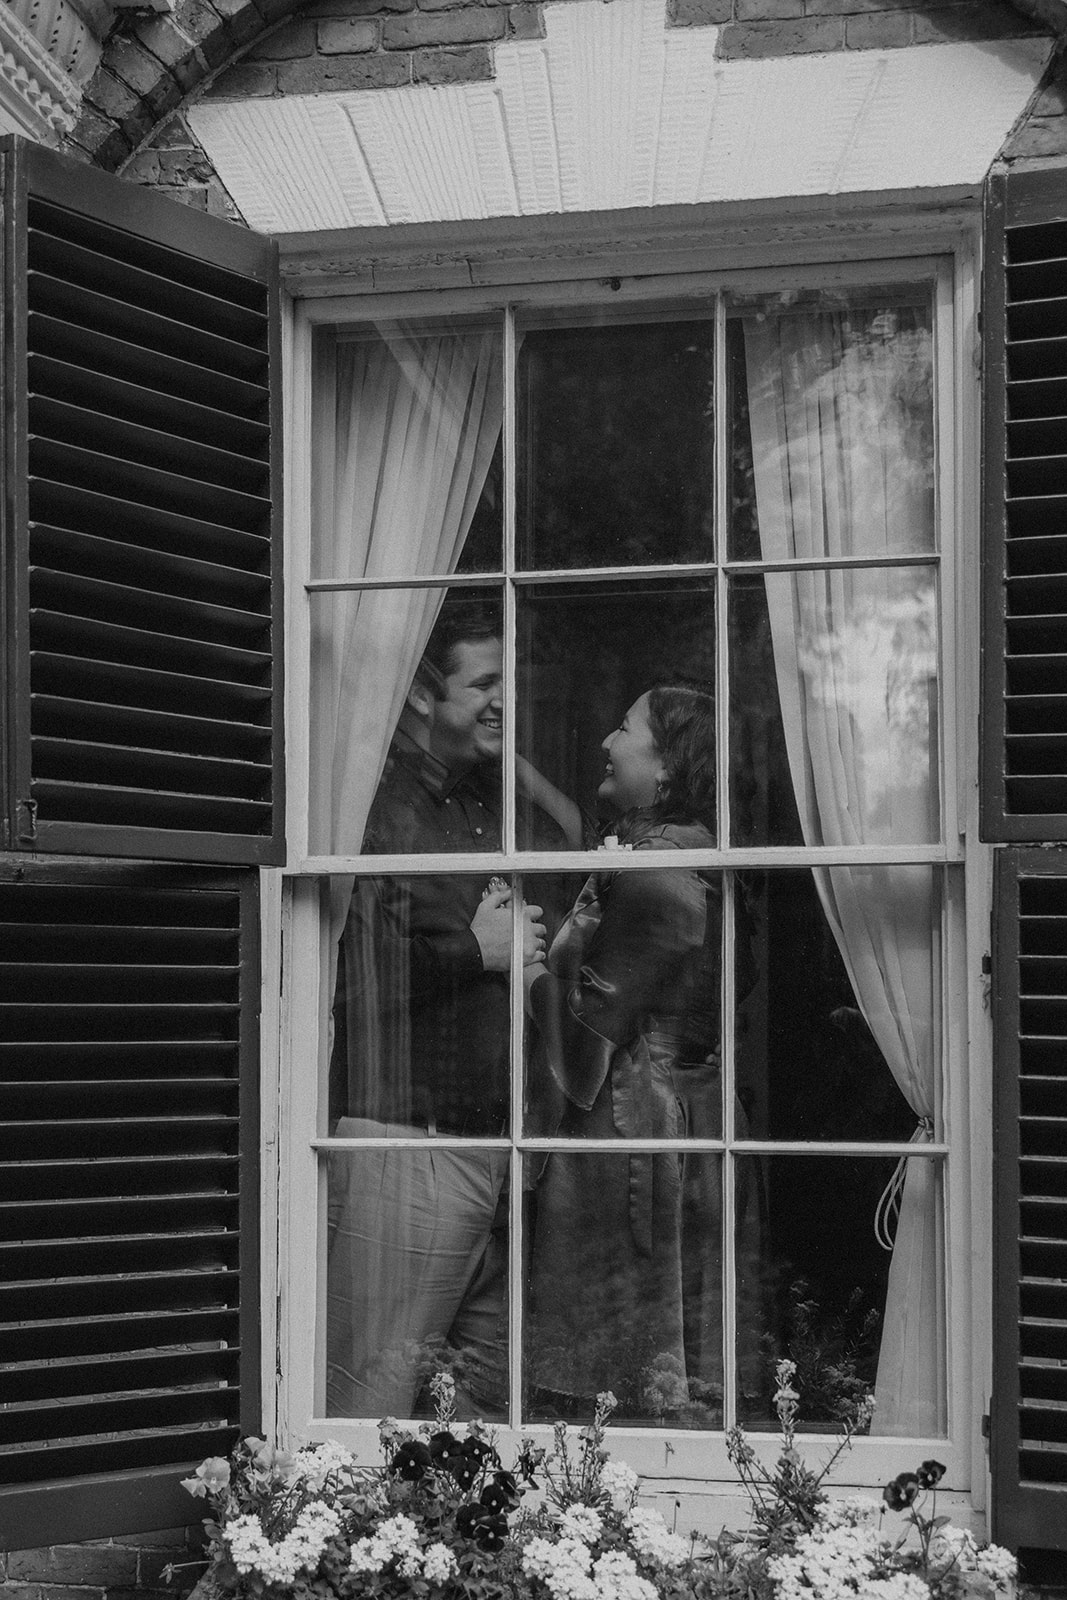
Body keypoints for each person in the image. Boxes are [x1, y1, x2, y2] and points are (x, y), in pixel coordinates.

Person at [325, 599, 562, 1420]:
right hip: (403, 1146)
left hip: (492, 1152)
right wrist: (477, 953)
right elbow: (338, 984)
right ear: (424, 693)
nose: (504, 701)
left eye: (511, 683)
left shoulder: (486, 807)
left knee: (482, 1426)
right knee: (371, 1409)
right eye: (484, 681)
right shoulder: (376, 811)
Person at [522, 681, 735, 1422]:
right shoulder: (688, 854)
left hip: (629, 1122)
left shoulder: (658, 874)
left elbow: (590, 1021)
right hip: (674, 1105)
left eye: (622, 728)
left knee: (612, 1346)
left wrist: (522, 967)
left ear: (667, 769)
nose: (605, 743)